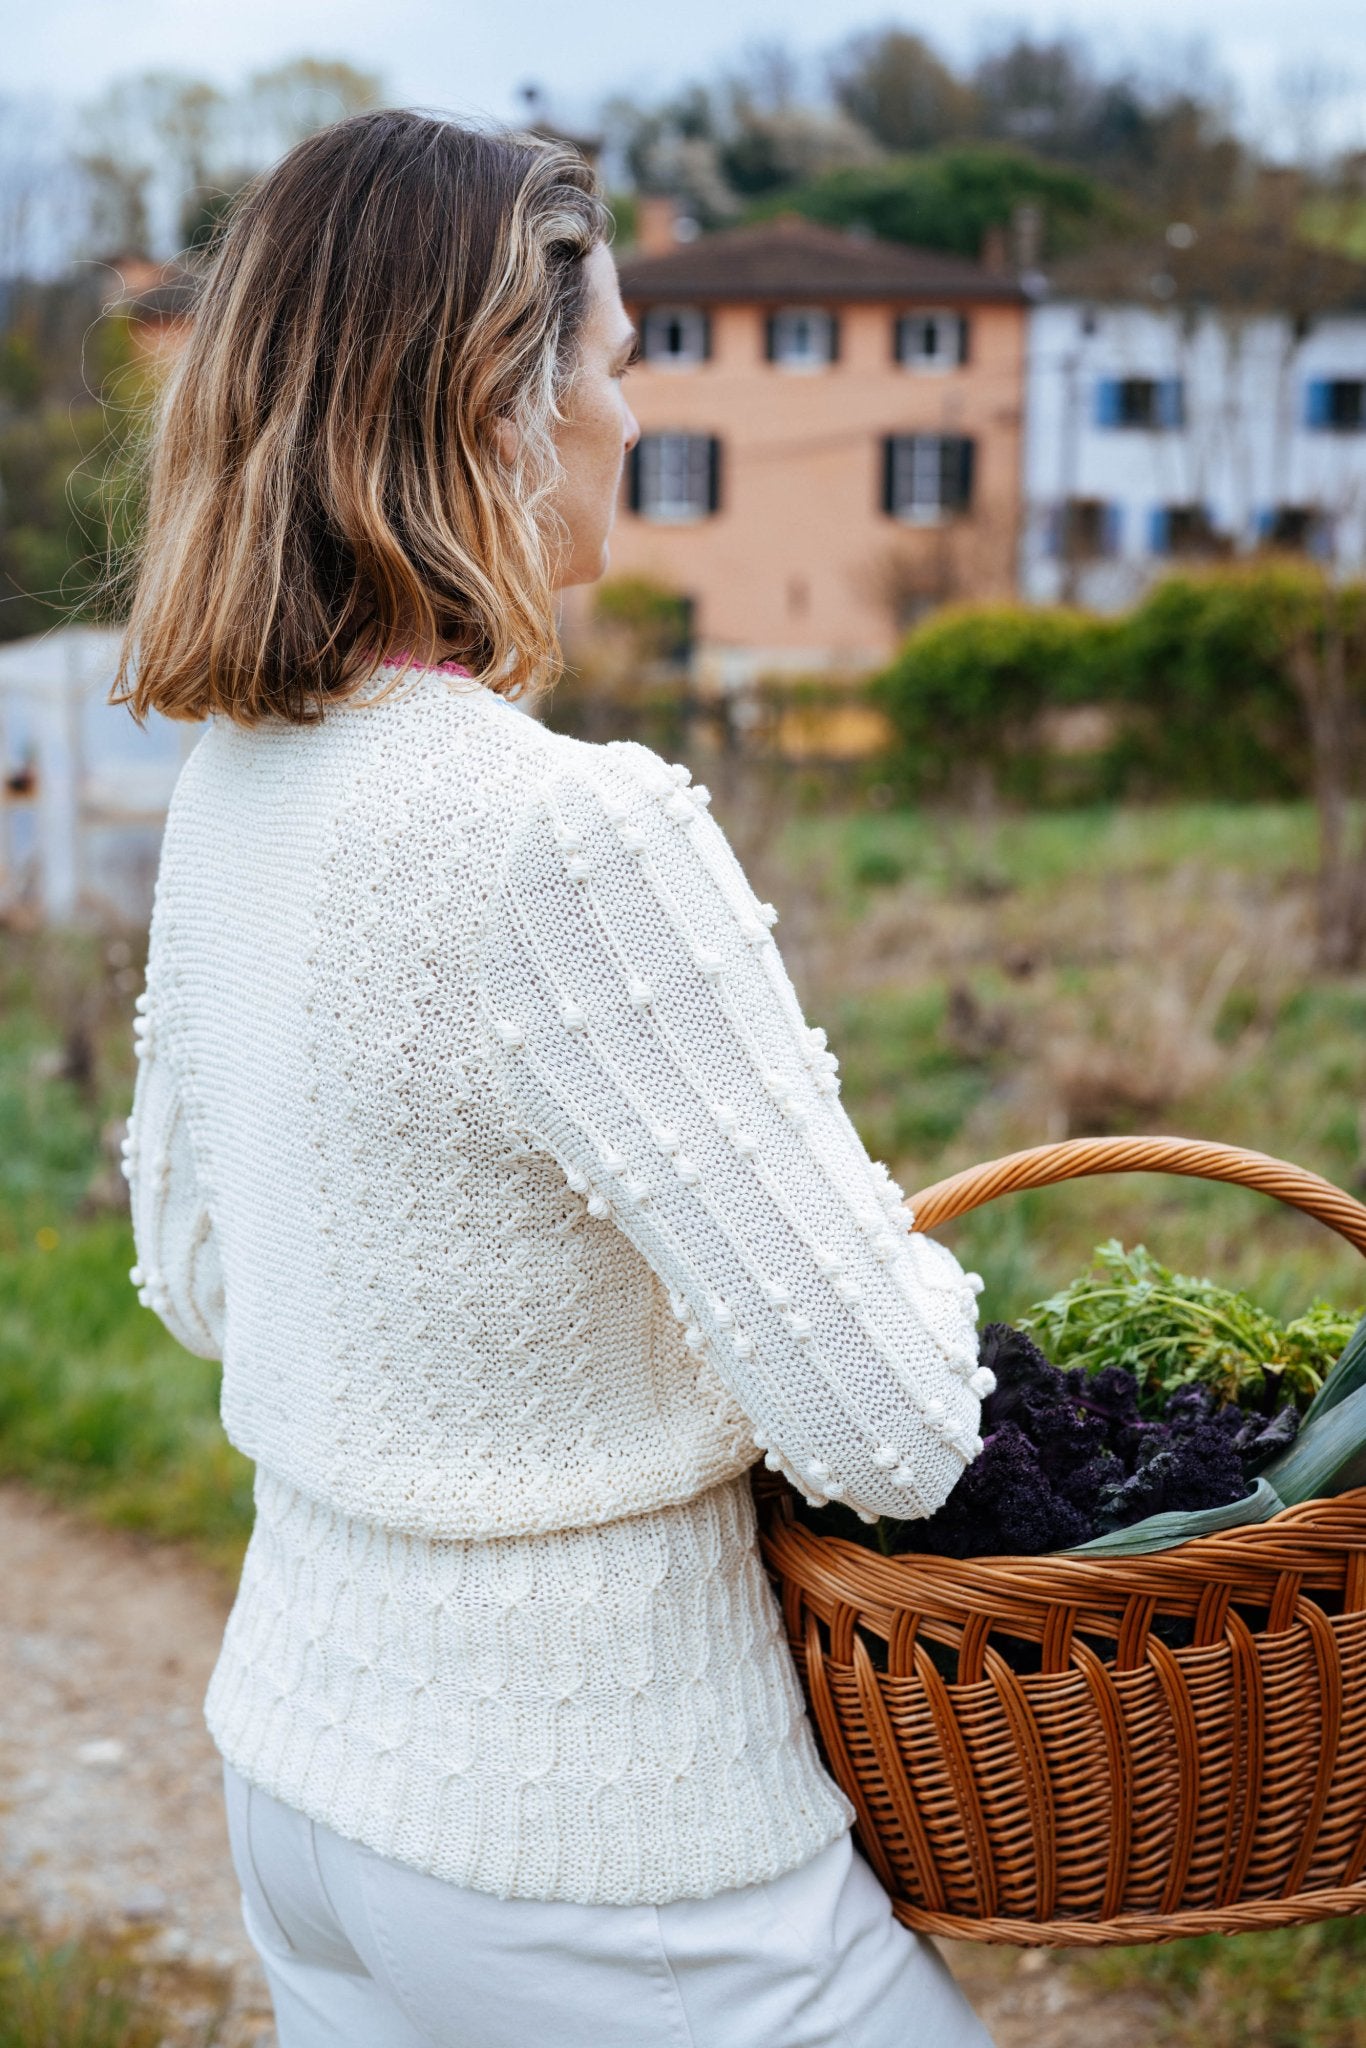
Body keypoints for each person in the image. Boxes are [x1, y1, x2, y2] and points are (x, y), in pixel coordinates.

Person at [118, 107, 998, 2048]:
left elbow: (195, 1274)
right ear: (495, 407)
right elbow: (890, 1418)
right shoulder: (563, 834)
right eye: (610, 363)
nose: (629, 408)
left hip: (304, 1779)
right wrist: (902, 1277)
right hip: (601, 1846)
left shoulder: (231, 784)